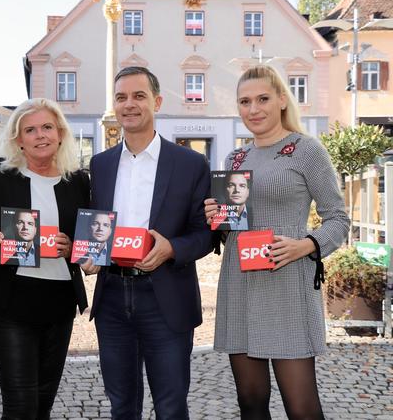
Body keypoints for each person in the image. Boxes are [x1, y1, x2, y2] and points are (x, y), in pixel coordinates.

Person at [205, 65, 349, 419]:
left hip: (287, 285)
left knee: (302, 409)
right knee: (250, 403)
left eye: (263, 99)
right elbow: (231, 230)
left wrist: (308, 244)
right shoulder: (234, 159)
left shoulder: (306, 150)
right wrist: (216, 220)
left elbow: (338, 218)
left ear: (282, 100)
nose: (254, 109)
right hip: (240, 286)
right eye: (245, 101)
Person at [84, 66, 212, 419]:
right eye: (121, 97)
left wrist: (172, 248)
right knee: (121, 405)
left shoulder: (190, 163)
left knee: (170, 406)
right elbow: (96, 227)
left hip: (166, 298)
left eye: (139, 96)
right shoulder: (100, 164)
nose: (130, 104)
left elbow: (206, 232)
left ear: (156, 101)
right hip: (112, 297)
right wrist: (90, 256)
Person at [0, 98, 90, 419]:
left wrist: (73, 247)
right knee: (20, 407)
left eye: (47, 127)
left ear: (60, 133)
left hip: (59, 303)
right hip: (11, 301)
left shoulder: (79, 182)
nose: (40, 135)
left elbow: (88, 247)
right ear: (19, 139)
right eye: (30, 130)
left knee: (43, 405)